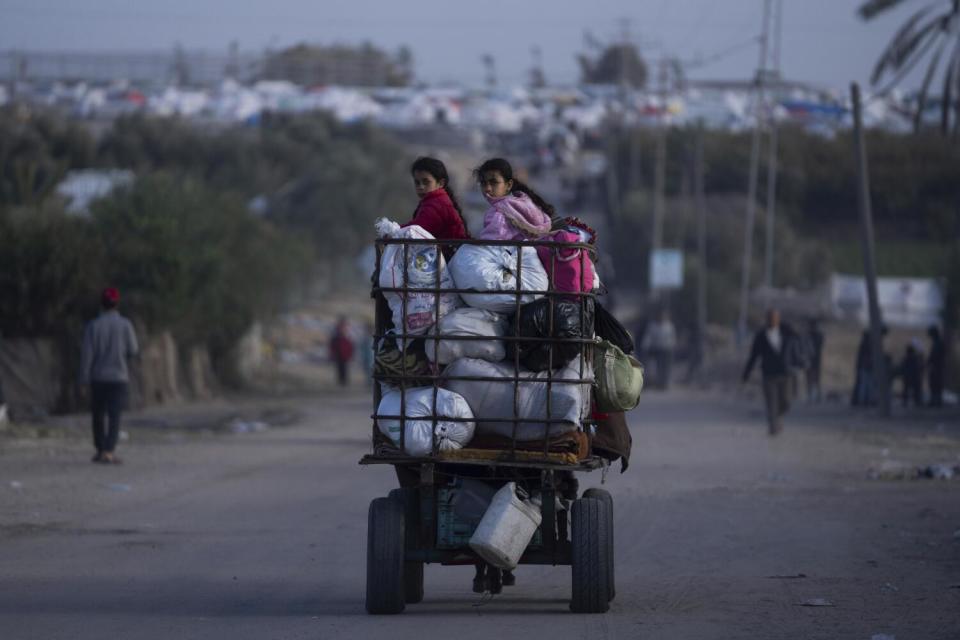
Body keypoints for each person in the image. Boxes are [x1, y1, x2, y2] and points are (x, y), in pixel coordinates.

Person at [80, 287, 139, 464]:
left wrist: (83, 380)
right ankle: (109, 451)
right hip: (118, 378)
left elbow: (87, 356)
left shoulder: (93, 326)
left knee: (97, 415)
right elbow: (133, 350)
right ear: (117, 303)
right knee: (114, 416)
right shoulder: (125, 325)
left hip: (98, 378)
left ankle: (100, 450)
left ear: (102, 303)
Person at [741, 309, 799, 435]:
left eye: (774, 318)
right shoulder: (761, 336)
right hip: (768, 374)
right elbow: (754, 356)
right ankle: (773, 427)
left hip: (785, 373)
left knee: (786, 401)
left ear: (778, 319)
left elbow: (798, 341)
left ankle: (778, 417)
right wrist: (746, 374)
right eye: (770, 318)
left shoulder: (786, 332)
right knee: (771, 402)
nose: (772, 320)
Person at [404, 156, 469, 259]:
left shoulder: (437, 204)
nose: (421, 187)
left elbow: (417, 229)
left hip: (451, 259)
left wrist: (393, 231)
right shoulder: (434, 201)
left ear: (440, 183)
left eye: (426, 182)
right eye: (417, 182)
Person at [474, 157, 554, 241]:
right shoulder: (526, 203)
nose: (487, 188)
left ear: (509, 185)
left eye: (494, 182)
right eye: (483, 183)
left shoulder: (498, 212)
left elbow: (489, 244)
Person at [851, 325, 889, 407]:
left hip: (865, 366)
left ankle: (865, 400)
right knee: (865, 384)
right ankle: (864, 401)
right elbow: (867, 356)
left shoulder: (868, 341)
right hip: (866, 366)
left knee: (866, 384)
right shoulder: (869, 342)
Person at [642, 309, 677, 390]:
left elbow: (673, 337)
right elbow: (648, 337)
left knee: (666, 367)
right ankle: (659, 383)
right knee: (658, 367)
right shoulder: (653, 325)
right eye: (661, 316)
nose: (662, 317)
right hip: (657, 349)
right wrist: (646, 346)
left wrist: (673, 345)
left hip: (667, 349)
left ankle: (665, 383)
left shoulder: (669, 326)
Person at [893, 340, 925, 407]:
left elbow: (902, 367)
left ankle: (909, 402)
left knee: (907, 390)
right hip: (912, 377)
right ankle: (916, 401)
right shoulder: (913, 358)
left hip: (908, 377)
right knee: (912, 391)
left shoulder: (907, 358)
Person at [329, 317, 355, 387]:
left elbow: (350, 346)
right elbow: (333, 345)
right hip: (339, 355)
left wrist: (350, 354)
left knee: (344, 369)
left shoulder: (347, 336)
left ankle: (344, 381)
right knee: (339, 368)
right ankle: (341, 381)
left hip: (345, 355)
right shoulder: (336, 336)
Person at [805, 319, 825, 403]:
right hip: (810, 360)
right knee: (810, 379)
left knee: (816, 379)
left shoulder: (818, 335)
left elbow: (820, 346)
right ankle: (812, 396)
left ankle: (817, 396)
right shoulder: (809, 336)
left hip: (815, 360)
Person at [926, 325, 945, 407]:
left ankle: (936, 401)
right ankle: (935, 400)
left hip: (937, 367)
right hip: (937, 366)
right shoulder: (937, 343)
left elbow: (934, 356)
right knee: (934, 384)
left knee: (936, 384)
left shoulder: (938, 343)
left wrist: (928, 362)